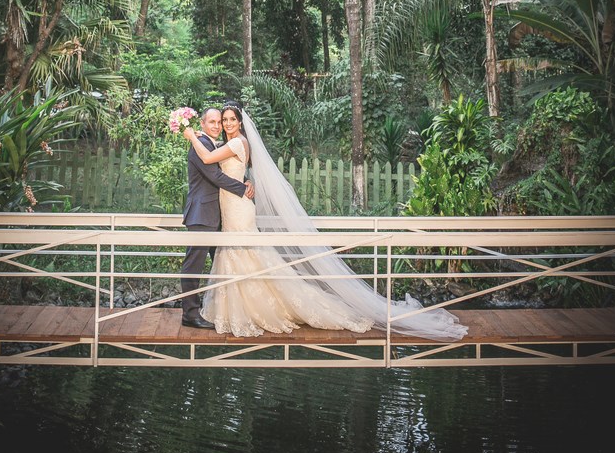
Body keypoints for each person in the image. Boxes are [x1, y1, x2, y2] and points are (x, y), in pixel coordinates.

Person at [183, 101, 467, 340]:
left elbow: (212, 163)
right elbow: (224, 171)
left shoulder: (232, 141)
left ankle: (262, 307)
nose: (227, 123)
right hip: (229, 208)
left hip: (238, 208)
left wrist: (191, 135)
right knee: (238, 256)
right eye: (223, 120)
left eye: (231, 119)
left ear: (241, 123)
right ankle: (233, 308)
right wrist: (243, 180)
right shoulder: (227, 142)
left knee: (246, 255)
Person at [180, 106, 254, 329]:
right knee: (194, 264)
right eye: (211, 122)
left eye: (218, 122)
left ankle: (230, 308)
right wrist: (242, 188)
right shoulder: (200, 146)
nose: (216, 125)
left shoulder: (215, 144)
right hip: (202, 214)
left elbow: (236, 165)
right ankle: (190, 314)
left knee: (225, 263)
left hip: (220, 215)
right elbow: (216, 176)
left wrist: (249, 180)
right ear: (201, 124)